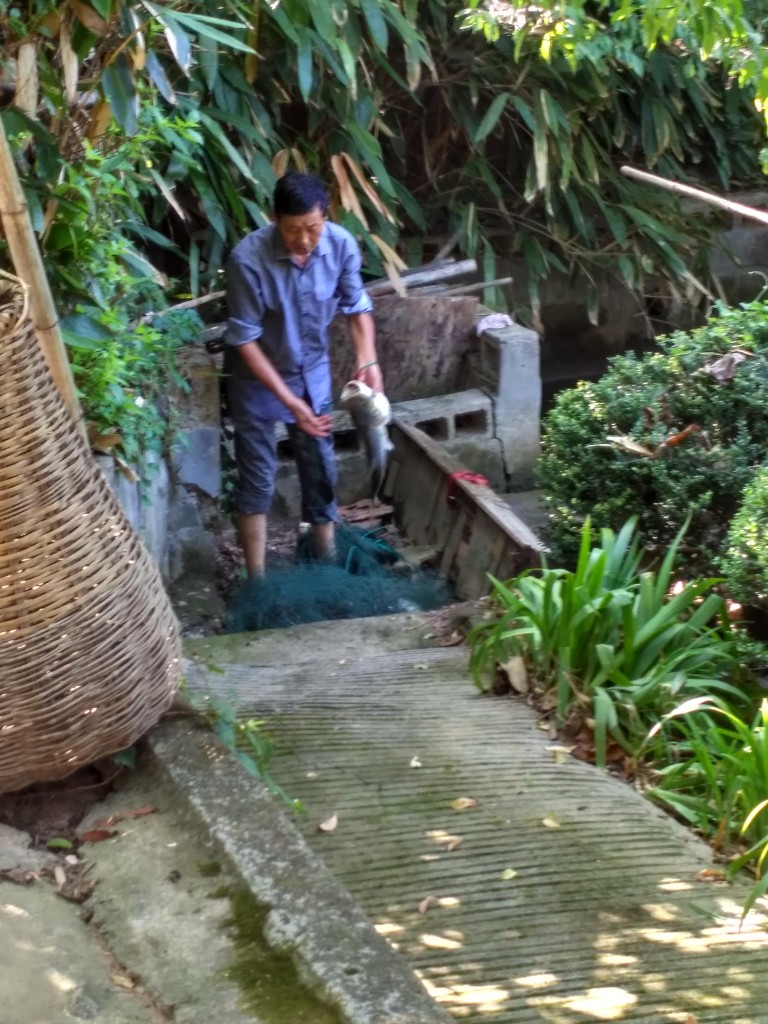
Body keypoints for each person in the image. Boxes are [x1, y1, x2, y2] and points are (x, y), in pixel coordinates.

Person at [224, 171, 383, 577]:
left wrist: (368, 360)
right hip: (256, 379)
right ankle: (257, 579)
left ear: (325, 217)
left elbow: (356, 306)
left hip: (311, 374)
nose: (305, 240)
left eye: (314, 227)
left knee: (321, 467)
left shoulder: (341, 244)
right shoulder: (247, 258)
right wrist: (290, 403)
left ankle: (326, 559)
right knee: (257, 478)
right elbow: (245, 340)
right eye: (294, 229)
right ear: (274, 217)